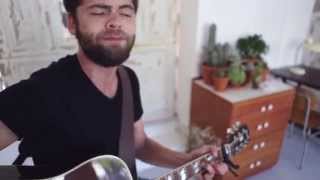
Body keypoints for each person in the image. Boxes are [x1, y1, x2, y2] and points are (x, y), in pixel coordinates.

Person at [0, 0, 227, 179]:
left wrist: (184, 160)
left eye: (126, 12)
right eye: (100, 11)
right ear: (72, 22)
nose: (116, 21)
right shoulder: (41, 91)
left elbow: (138, 143)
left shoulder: (129, 79)